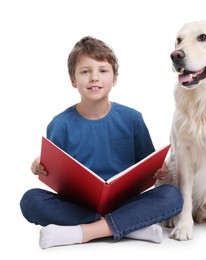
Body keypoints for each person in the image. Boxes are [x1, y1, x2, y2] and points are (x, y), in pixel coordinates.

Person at [20, 36, 183, 249]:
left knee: (172, 195)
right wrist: (40, 164)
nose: (94, 78)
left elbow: (149, 167)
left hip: (126, 202)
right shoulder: (60, 124)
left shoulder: (132, 119)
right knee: (30, 200)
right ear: (73, 80)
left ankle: (84, 232)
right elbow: (55, 172)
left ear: (114, 78)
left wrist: (159, 170)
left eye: (103, 71)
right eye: (85, 71)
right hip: (78, 205)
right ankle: (129, 227)